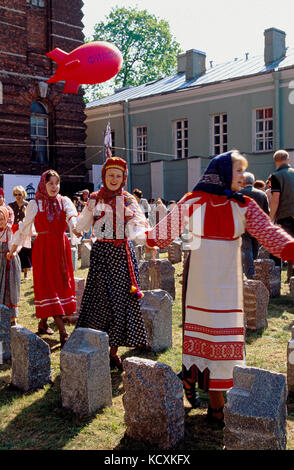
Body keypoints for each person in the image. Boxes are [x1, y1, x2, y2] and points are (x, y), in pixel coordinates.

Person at [144, 150, 294, 426]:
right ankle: (211, 400)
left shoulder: (244, 204)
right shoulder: (194, 201)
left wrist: (291, 248)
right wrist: (143, 232)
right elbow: (162, 235)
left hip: (226, 281)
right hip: (201, 279)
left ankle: (195, 381)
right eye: (238, 171)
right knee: (207, 338)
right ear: (223, 172)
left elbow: (271, 236)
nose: (242, 176)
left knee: (223, 342)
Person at [74, 157, 150, 370]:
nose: (114, 179)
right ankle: (96, 346)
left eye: (118, 175)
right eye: (110, 175)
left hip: (121, 255)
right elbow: (84, 222)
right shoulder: (95, 199)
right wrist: (77, 227)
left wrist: (144, 237)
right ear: (104, 176)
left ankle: (114, 350)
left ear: (124, 177)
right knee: (101, 300)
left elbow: (138, 223)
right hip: (101, 256)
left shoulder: (128, 200)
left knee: (121, 300)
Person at [7, 170, 78, 346]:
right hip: (44, 249)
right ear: (43, 185)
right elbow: (24, 228)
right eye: (50, 183)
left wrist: (77, 228)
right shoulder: (35, 204)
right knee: (48, 286)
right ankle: (63, 331)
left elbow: (72, 217)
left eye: (57, 183)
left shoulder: (65, 201)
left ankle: (43, 323)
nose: (54, 187)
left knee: (60, 284)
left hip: (61, 248)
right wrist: (14, 248)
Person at [270, 149, 294, 282]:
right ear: (288, 160)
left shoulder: (276, 176)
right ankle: (291, 278)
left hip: (285, 217)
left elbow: (275, 199)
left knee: (278, 249)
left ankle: (276, 281)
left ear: (275, 162)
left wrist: (271, 218)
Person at [240, 172, 269, 279]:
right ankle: (255, 271)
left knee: (247, 250)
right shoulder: (262, 194)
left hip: (244, 225)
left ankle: (250, 274)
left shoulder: (239, 194)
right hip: (258, 226)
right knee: (255, 249)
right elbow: (267, 211)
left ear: (243, 182)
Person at [0, 206, 21, 326]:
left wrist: (12, 253)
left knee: (9, 289)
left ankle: (12, 317)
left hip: (9, 263)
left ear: (6, 218)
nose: (0, 222)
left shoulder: (9, 230)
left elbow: (16, 245)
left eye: (2, 219)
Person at [8, 186, 32, 280]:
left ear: (23, 194)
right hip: (13, 229)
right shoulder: (11, 205)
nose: (18, 196)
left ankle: (25, 273)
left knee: (25, 251)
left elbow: (30, 218)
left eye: (20, 194)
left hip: (24, 230)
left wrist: (25, 212)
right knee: (14, 249)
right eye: (16, 194)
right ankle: (14, 271)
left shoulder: (27, 204)